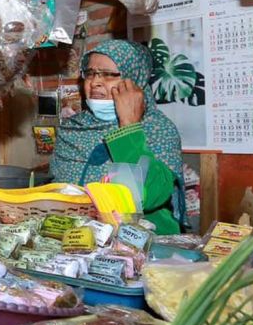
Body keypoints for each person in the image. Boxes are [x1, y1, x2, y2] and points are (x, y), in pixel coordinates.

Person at [51, 39, 184, 234]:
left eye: (109, 75)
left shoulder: (158, 129)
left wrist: (129, 126)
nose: (95, 82)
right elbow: (58, 192)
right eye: (90, 73)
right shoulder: (72, 129)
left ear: (134, 81)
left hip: (140, 245)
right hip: (78, 242)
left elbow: (148, 195)